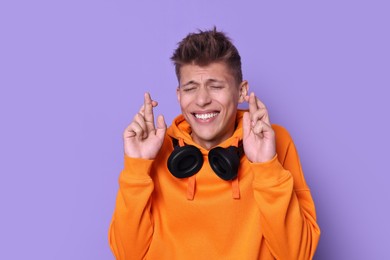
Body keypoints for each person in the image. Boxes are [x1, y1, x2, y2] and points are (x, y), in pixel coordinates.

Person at [108, 27, 320, 260]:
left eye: (216, 86)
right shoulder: (154, 148)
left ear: (241, 91)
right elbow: (127, 254)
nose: (202, 99)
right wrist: (137, 168)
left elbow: (297, 255)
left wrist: (266, 166)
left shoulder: (273, 141)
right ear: (179, 95)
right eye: (190, 89)